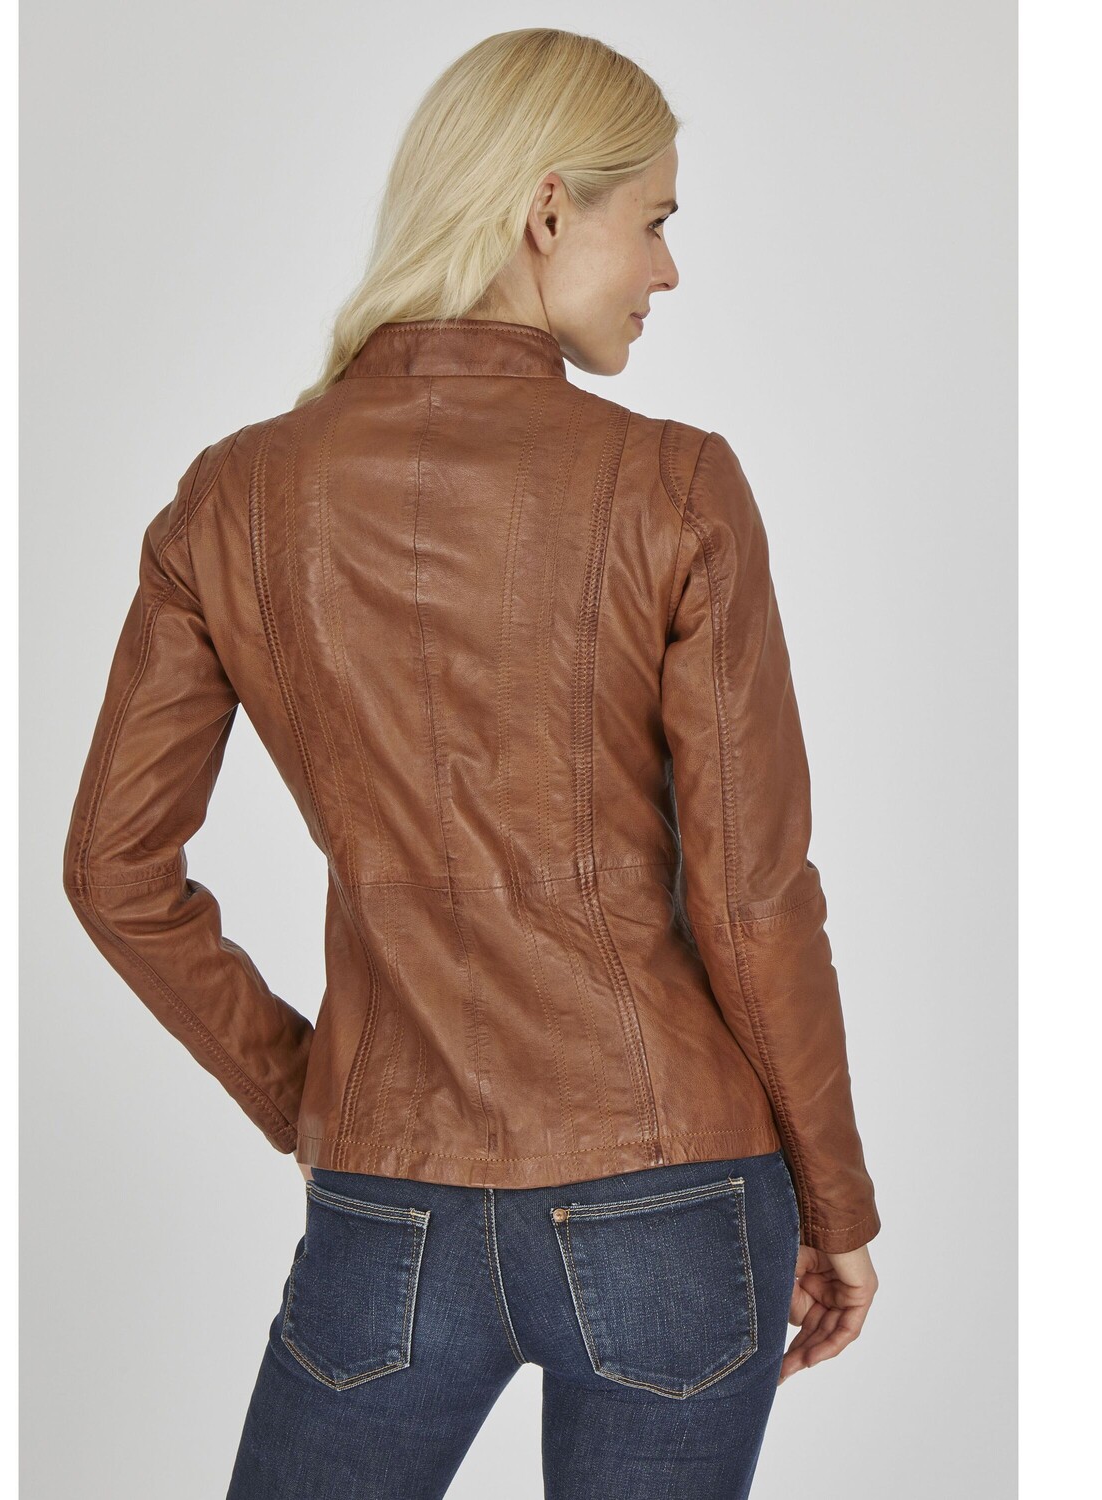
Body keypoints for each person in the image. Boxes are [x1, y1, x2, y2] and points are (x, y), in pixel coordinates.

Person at [62, 26, 881, 1500]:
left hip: (391, 1205)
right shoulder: (677, 485)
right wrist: (837, 1203)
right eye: (657, 220)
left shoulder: (234, 497)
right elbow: (753, 897)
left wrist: (312, 1094)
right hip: (678, 1197)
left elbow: (113, 873)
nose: (670, 269)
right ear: (547, 209)